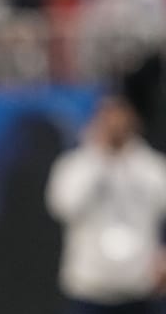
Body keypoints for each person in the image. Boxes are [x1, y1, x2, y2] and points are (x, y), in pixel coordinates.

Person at [46, 94, 166, 314]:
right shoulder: (75, 165)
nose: (115, 123)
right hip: (90, 291)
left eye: (121, 115)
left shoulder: (153, 167)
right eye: (108, 116)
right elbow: (64, 207)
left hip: (140, 291)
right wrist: (99, 157)